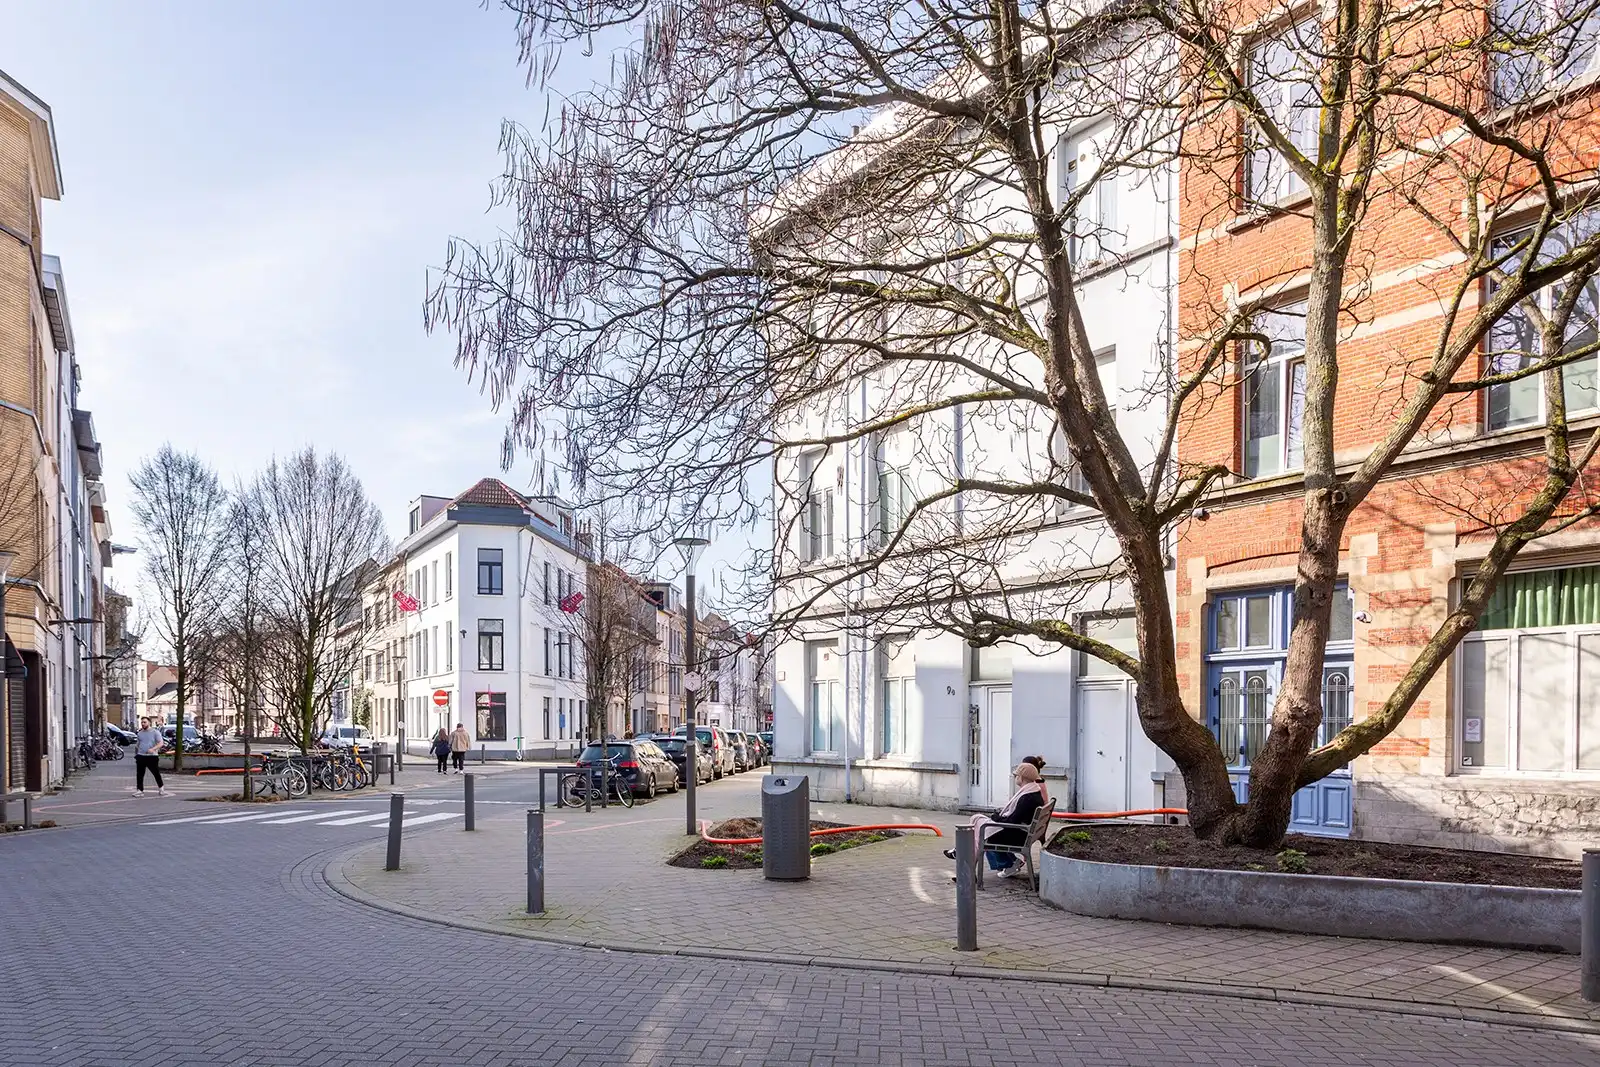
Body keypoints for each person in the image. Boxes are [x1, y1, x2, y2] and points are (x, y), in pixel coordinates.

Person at [946, 761, 1047, 879]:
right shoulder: (1033, 792)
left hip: (1017, 836)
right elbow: (1015, 818)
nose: (1015, 778)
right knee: (976, 820)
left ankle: (964, 864)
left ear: (1022, 777)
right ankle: (963, 859)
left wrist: (996, 817)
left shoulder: (1027, 797)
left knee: (978, 832)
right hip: (1022, 832)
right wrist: (998, 816)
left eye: (1016, 776)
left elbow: (1012, 821)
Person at [131, 717, 171, 798]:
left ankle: (161, 788)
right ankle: (140, 790)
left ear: (149, 723)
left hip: (152, 756)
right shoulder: (140, 733)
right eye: (142, 722)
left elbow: (161, 743)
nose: (143, 724)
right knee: (139, 774)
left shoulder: (155, 732)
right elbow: (138, 744)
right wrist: (136, 754)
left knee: (156, 773)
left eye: (144, 722)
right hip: (141, 756)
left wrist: (153, 749)